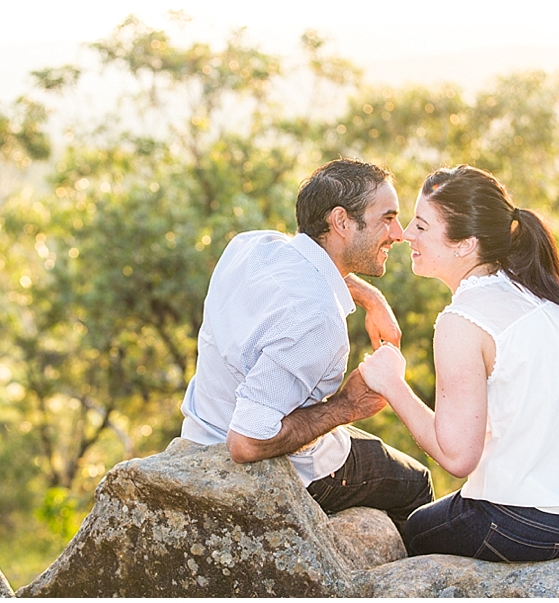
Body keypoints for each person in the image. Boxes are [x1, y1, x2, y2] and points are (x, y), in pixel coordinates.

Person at [358, 164, 559, 561]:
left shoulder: (464, 320)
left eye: (421, 225)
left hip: (533, 526)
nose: (404, 234)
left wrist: (391, 383)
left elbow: (457, 457)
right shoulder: (545, 293)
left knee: (416, 529)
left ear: (464, 244)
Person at [180, 158, 434, 538]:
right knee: (415, 483)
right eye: (387, 217)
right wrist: (347, 406)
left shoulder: (252, 245)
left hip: (201, 429)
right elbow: (246, 443)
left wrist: (371, 298)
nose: (399, 233)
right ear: (341, 222)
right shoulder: (318, 321)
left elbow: (308, 269)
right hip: (278, 465)